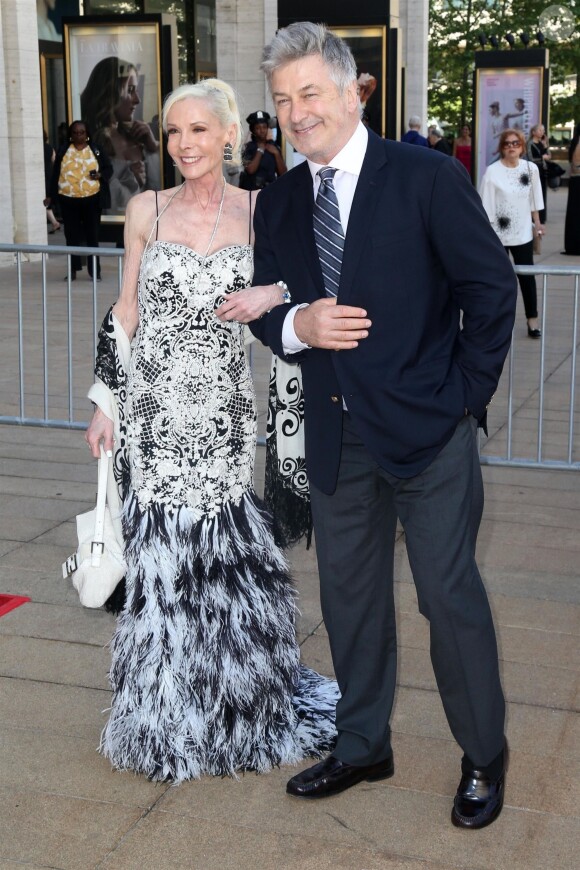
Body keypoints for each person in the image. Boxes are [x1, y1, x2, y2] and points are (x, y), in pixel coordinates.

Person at [250, 21, 516, 829]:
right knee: (351, 597)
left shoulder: (425, 177)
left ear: (352, 90)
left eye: (311, 95)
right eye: (283, 101)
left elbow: (491, 291)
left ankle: (483, 753)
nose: (297, 114)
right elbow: (268, 308)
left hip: (429, 434)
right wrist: (301, 324)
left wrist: (463, 398)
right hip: (338, 440)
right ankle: (364, 744)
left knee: (447, 593)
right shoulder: (283, 199)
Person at [84, 78, 338, 783]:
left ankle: (236, 707)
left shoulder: (263, 211)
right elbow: (126, 309)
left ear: (230, 134)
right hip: (154, 413)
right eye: (173, 132)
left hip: (223, 416)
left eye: (199, 130)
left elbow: (310, 281)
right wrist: (105, 400)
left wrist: (275, 291)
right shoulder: (146, 210)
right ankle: (166, 713)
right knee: (162, 560)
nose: (184, 145)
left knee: (224, 559)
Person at [479, 128, 544, 337]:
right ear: (501, 148)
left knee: (527, 279)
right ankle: (497, 323)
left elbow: (534, 200)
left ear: (522, 146)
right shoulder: (492, 172)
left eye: (516, 143)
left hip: (523, 233)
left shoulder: (530, 169)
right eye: (507, 144)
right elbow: (484, 206)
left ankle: (532, 321)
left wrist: (538, 224)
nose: (511, 147)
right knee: (498, 281)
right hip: (497, 236)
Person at [80, 56, 160, 214]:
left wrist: (153, 147)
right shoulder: (89, 144)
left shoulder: (138, 136)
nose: (137, 100)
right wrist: (133, 180)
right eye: (130, 91)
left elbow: (162, 189)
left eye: (136, 90)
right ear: (110, 94)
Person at [45, 120, 113, 281]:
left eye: (81, 132)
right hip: (68, 200)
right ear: (71, 134)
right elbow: (55, 175)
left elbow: (109, 168)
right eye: (75, 132)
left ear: (87, 133)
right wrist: (50, 196)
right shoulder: (63, 151)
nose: (78, 135)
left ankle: (94, 271)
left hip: (92, 200)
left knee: (92, 236)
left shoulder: (96, 150)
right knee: (71, 236)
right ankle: (73, 269)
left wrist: (99, 175)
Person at [239, 110, 287, 190]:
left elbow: (283, 173)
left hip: (271, 191)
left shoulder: (273, 147)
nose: (262, 131)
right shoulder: (248, 148)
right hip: (252, 192)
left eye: (264, 127)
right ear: (253, 130)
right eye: (258, 128)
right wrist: (260, 150)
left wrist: (276, 154)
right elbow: (250, 170)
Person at [527, 123, 551, 224]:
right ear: (534, 132)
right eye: (540, 130)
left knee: (542, 192)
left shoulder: (541, 143)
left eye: (543, 130)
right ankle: (534, 217)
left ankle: (542, 217)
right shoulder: (530, 144)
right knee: (534, 193)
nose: (542, 132)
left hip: (543, 170)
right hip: (534, 171)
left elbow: (549, 154)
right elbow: (530, 158)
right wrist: (542, 157)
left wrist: (546, 145)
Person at [563, 123, 580, 255]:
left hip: (575, 180)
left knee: (574, 213)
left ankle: (572, 244)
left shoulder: (576, 141)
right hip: (578, 179)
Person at [43, 130, 60, 233]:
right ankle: (54, 222)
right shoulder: (49, 148)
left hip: (41, 177)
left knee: (44, 202)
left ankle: (54, 222)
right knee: (46, 201)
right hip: (49, 176)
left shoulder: (35, 147)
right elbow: (55, 161)